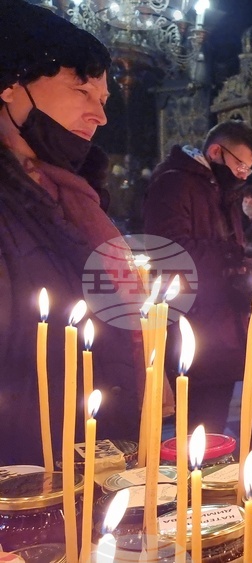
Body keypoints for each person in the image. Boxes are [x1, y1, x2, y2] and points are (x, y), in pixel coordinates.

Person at [0, 0, 142, 464]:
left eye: (103, 100)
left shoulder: (72, 195)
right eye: (81, 90)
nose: (100, 116)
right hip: (25, 472)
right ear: (11, 84)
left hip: (85, 453)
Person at [144, 120, 252, 435]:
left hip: (221, 324)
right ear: (216, 152)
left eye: (248, 170)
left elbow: (230, 245)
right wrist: (232, 255)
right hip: (194, 324)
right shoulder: (174, 183)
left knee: (214, 425)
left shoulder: (220, 189)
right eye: (239, 165)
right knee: (197, 426)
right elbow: (169, 251)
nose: (242, 175)